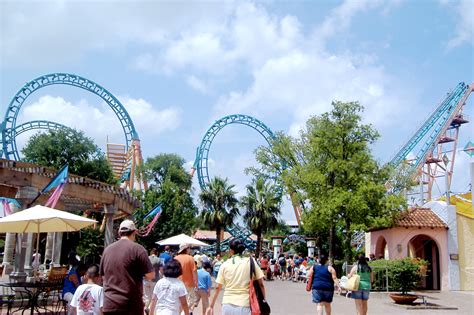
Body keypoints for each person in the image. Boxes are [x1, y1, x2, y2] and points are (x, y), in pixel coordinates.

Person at [100, 220, 155, 315]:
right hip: (130, 305)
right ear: (134, 232)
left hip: (109, 304)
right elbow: (151, 275)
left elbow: (102, 276)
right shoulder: (138, 249)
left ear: (119, 233)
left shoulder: (107, 250)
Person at [207, 239, 266, 315]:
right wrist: (263, 300)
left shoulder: (224, 265)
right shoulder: (251, 262)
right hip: (244, 305)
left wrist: (211, 306)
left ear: (231, 251)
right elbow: (261, 284)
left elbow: (217, 287)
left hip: (227, 304)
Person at [174, 244, 198, 311]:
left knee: (179, 302)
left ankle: (181, 312)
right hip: (189, 284)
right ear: (186, 249)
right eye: (189, 248)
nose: (190, 249)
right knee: (190, 301)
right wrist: (196, 282)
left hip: (177, 284)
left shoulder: (176, 258)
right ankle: (184, 312)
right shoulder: (190, 258)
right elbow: (194, 271)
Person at [144, 248, 162, 314]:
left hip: (145, 280)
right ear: (157, 253)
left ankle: (146, 307)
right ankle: (149, 309)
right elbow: (161, 269)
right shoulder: (158, 259)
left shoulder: (146, 259)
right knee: (153, 296)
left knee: (147, 296)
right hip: (155, 280)